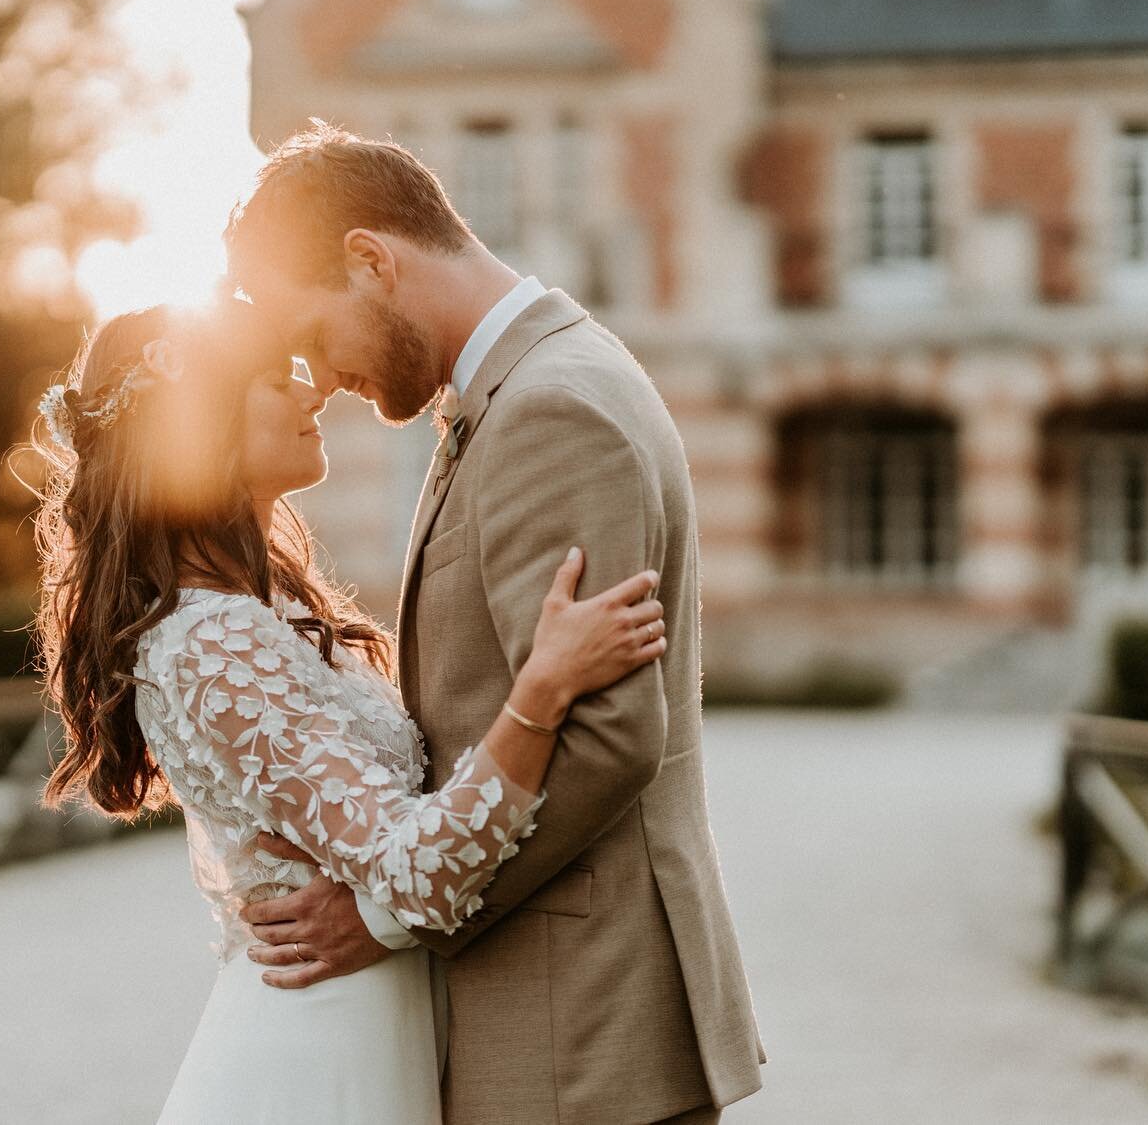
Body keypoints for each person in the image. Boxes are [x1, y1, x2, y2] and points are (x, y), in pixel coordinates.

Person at [223, 123, 764, 1124]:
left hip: (576, 1022)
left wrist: (389, 909)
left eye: (312, 335)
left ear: (371, 261)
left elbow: (607, 734)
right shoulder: (534, 382)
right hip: (567, 1010)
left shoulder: (552, 412)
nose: (325, 377)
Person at [33, 299, 668, 1123]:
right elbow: (418, 873)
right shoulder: (212, 640)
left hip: (369, 1024)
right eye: (274, 380)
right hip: (318, 1049)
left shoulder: (248, 620)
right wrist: (542, 689)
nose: (310, 395)